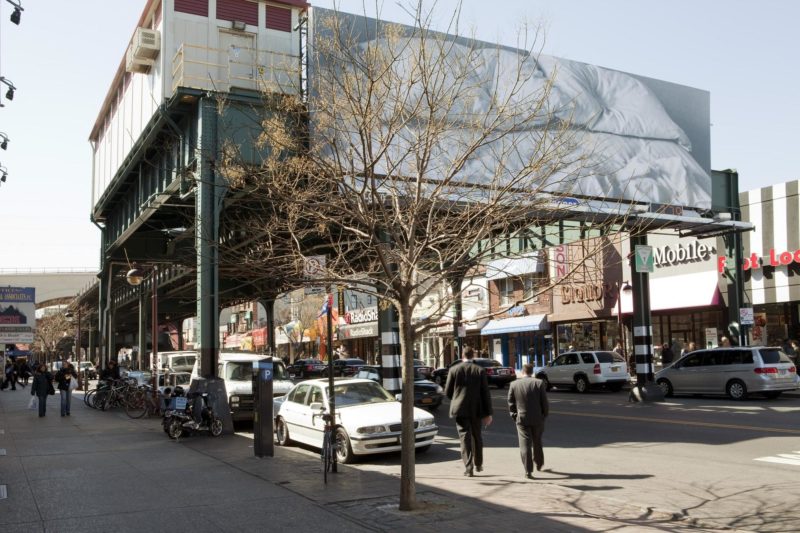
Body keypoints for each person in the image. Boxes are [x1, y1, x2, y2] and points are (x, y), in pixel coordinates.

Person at [445, 346, 493, 477]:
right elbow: (485, 393)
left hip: (460, 409)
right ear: (473, 355)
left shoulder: (454, 369)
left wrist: (456, 399)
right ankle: (478, 463)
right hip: (476, 409)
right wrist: (488, 413)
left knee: (464, 437)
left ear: (462, 355)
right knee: (477, 435)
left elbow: (448, 392)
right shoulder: (480, 370)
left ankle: (468, 467)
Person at [507, 363, 549, 479]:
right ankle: (539, 463)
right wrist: (544, 415)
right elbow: (544, 402)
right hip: (537, 418)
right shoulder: (539, 383)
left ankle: (528, 471)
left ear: (522, 372)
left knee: (524, 445)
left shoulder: (514, 384)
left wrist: (514, 415)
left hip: (522, 418)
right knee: (537, 441)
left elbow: (511, 403)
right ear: (532, 372)